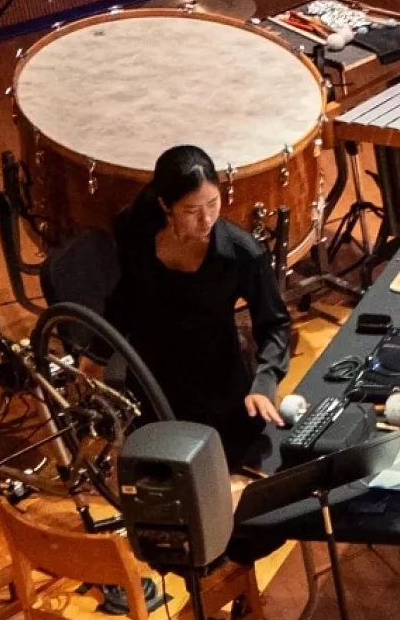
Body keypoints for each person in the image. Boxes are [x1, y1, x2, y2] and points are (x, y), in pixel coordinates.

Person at [104, 145, 293, 473]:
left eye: (213, 203)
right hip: (152, 377)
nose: (207, 218)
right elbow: (126, 297)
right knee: (162, 477)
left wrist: (265, 383)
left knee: (224, 474)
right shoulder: (135, 231)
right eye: (192, 210)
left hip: (217, 382)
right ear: (166, 205)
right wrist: (100, 352)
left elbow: (275, 324)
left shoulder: (241, 251)